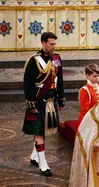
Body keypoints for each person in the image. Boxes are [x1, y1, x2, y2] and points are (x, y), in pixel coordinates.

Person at [23, 32, 65, 177]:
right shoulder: (34, 61)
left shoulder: (57, 58)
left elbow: (60, 80)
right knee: (39, 131)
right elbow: (27, 84)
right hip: (38, 100)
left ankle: (35, 156)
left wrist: (61, 98)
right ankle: (43, 164)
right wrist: (31, 105)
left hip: (51, 100)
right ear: (43, 43)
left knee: (44, 130)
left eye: (55, 43)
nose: (54, 46)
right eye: (51, 44)